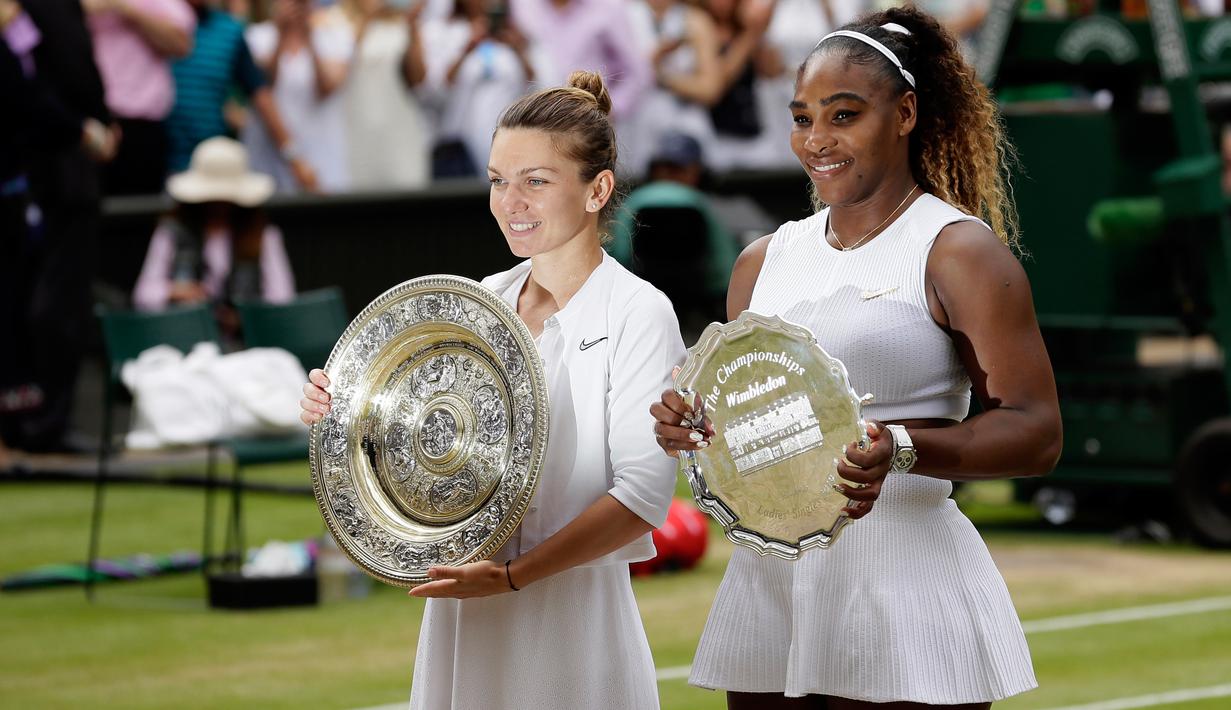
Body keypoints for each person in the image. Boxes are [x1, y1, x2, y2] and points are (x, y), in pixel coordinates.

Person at [651, 6, 1063, 709]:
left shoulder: (957, 251)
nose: (817, 140)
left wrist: (898, 447)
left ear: (904, 113)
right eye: (802, 117)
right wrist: (692, 426)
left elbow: (1035, 431)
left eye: (844, 115)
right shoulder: (760, 261)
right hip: (770, 587)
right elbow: (750, 426)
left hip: (903, 580)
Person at [298, 71, 686, 709]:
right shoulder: (479, 303)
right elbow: (417, 447)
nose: (510, 202)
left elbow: (642, 497)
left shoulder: (639, 312)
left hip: (575, 627)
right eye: (498, 180)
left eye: (536, 181)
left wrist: (511, 578)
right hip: (464, 618)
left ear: (598, 190)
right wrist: (346, 411)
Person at [132, 136, 295, 336]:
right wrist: (177, 291)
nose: (218, 205)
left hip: (246, 347)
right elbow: (143, 295)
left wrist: (243, 319)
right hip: (182, 341)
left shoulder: (264, 235)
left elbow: (282, 298)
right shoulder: (172, 232)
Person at [166, 0, 317, 191]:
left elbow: (261, 96)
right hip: (154, 161)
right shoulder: (152, 19)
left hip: (211, 167)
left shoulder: (229, 31)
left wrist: (295, 159)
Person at [421, 0, 545, 179]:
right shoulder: (444, 32)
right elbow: (433, 95)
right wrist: (466, 49)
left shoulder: (521, 37)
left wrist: (518, 50)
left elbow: (541, 93)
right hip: (459, 158)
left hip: (512, 153)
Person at [82, 0, 195, 195]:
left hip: (141, 128)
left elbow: (181, 44)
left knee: (137, 214)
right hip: (87, 123)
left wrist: (124, 8)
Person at [242, 0, 353, 192]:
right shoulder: (256, 36)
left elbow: (327, 88)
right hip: (267, 159)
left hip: (322, 158)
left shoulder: (336, 35)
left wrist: (310, 39)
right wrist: (280, 36)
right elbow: (261, 86)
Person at [330, 0, 431, 190]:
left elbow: (418, 78)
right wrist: (368, 17)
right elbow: (337, 75)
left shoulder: (399, 21)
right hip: (355, 134)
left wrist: (413, 28)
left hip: (400, 134)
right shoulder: (333, 20)